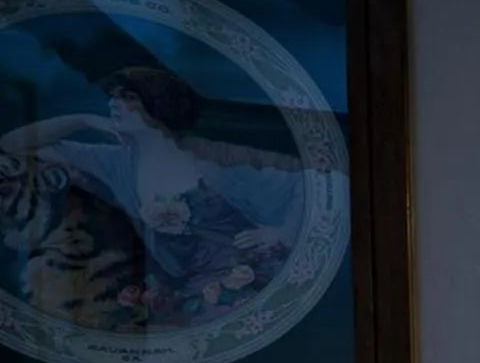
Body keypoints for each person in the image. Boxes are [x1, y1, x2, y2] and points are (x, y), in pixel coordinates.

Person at [0, 66, 310, 325]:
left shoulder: (213, 158)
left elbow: (303, 181)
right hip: (188, 286)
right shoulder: (116, 161)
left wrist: (284, 231)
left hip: (247, 277)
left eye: (127, 97)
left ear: (156, 103)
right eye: (112, 96)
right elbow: (12, 144)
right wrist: (84, 119)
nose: (113, 104)